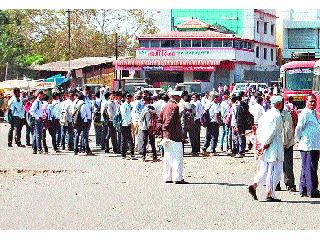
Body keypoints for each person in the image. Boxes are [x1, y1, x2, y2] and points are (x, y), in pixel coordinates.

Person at [248, 95, 284, 202]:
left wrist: (260, 144)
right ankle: (270, 194)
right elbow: (273, 132)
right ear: (279, 104)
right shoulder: (277, 116)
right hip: (273, 147)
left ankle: (254, 185)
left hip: (264, 145)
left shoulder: (265, 114)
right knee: (274, 171)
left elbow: (259, 130)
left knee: (264, 170)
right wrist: (266, 144)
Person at [158, 90, 188, 184]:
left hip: (166, 136)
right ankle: (177, 178)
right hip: (174, 136)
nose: (180, 99)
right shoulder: (174, 107)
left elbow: (160, 119)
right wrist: (165, 129)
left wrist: (162, 132)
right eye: (179, 97)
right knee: (177, 157)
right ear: (175, 97)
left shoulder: (165, 106)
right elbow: (169, 121)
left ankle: (167, 177)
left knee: (168, 157)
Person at [295, 94, 320, 198]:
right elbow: (298, 128)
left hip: (314, 144)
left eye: (314, 101)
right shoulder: (305, 113)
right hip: (307, 145)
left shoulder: (314, 113)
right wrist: (300, 139)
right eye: (311, 101)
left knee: (307, 167)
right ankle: (312, 190)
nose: (313, 103)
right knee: (310, 168)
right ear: (306, 102)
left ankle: (304, 188)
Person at [276, 99, 296, 192]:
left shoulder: (286, 114)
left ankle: (290, 184)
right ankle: (276, 184)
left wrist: (284, 144)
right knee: (275, 164)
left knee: (287, 165)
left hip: (286, 144)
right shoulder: (272, 114)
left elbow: (287, 131)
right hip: (275, 144)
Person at [137, 96, 157, 161]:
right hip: (152, 127)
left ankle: (143, 156)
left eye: (144, 100)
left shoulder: (145, 109)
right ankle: (154, 156)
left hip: (145, 127)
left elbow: (141, 118)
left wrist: (140, 126)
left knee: (144, 142)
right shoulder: (153, 108)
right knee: (152, 142)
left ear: (146, 101)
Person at [120, 94, 135, 160]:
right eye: (128, 98)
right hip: (124, 124)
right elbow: (124, 115)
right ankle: (123, 154)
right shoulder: (123, 105)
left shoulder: (129, 105)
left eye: (130, 98)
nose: (129, 99)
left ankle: (132, 154)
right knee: (124, 140)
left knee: (130, 140)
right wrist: (128, 122)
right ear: (126, 98)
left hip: (128, 124)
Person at [29, 90, 44, 154]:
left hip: (40, 119)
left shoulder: (40, 102)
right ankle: (39, 149)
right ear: (39, 95)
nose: (43, 95)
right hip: (37, 119)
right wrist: (37, 117)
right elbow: (31, 111)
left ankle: (34, 148)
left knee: (36, 134)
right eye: (42, 94)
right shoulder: (36, 102)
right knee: (38, 134)